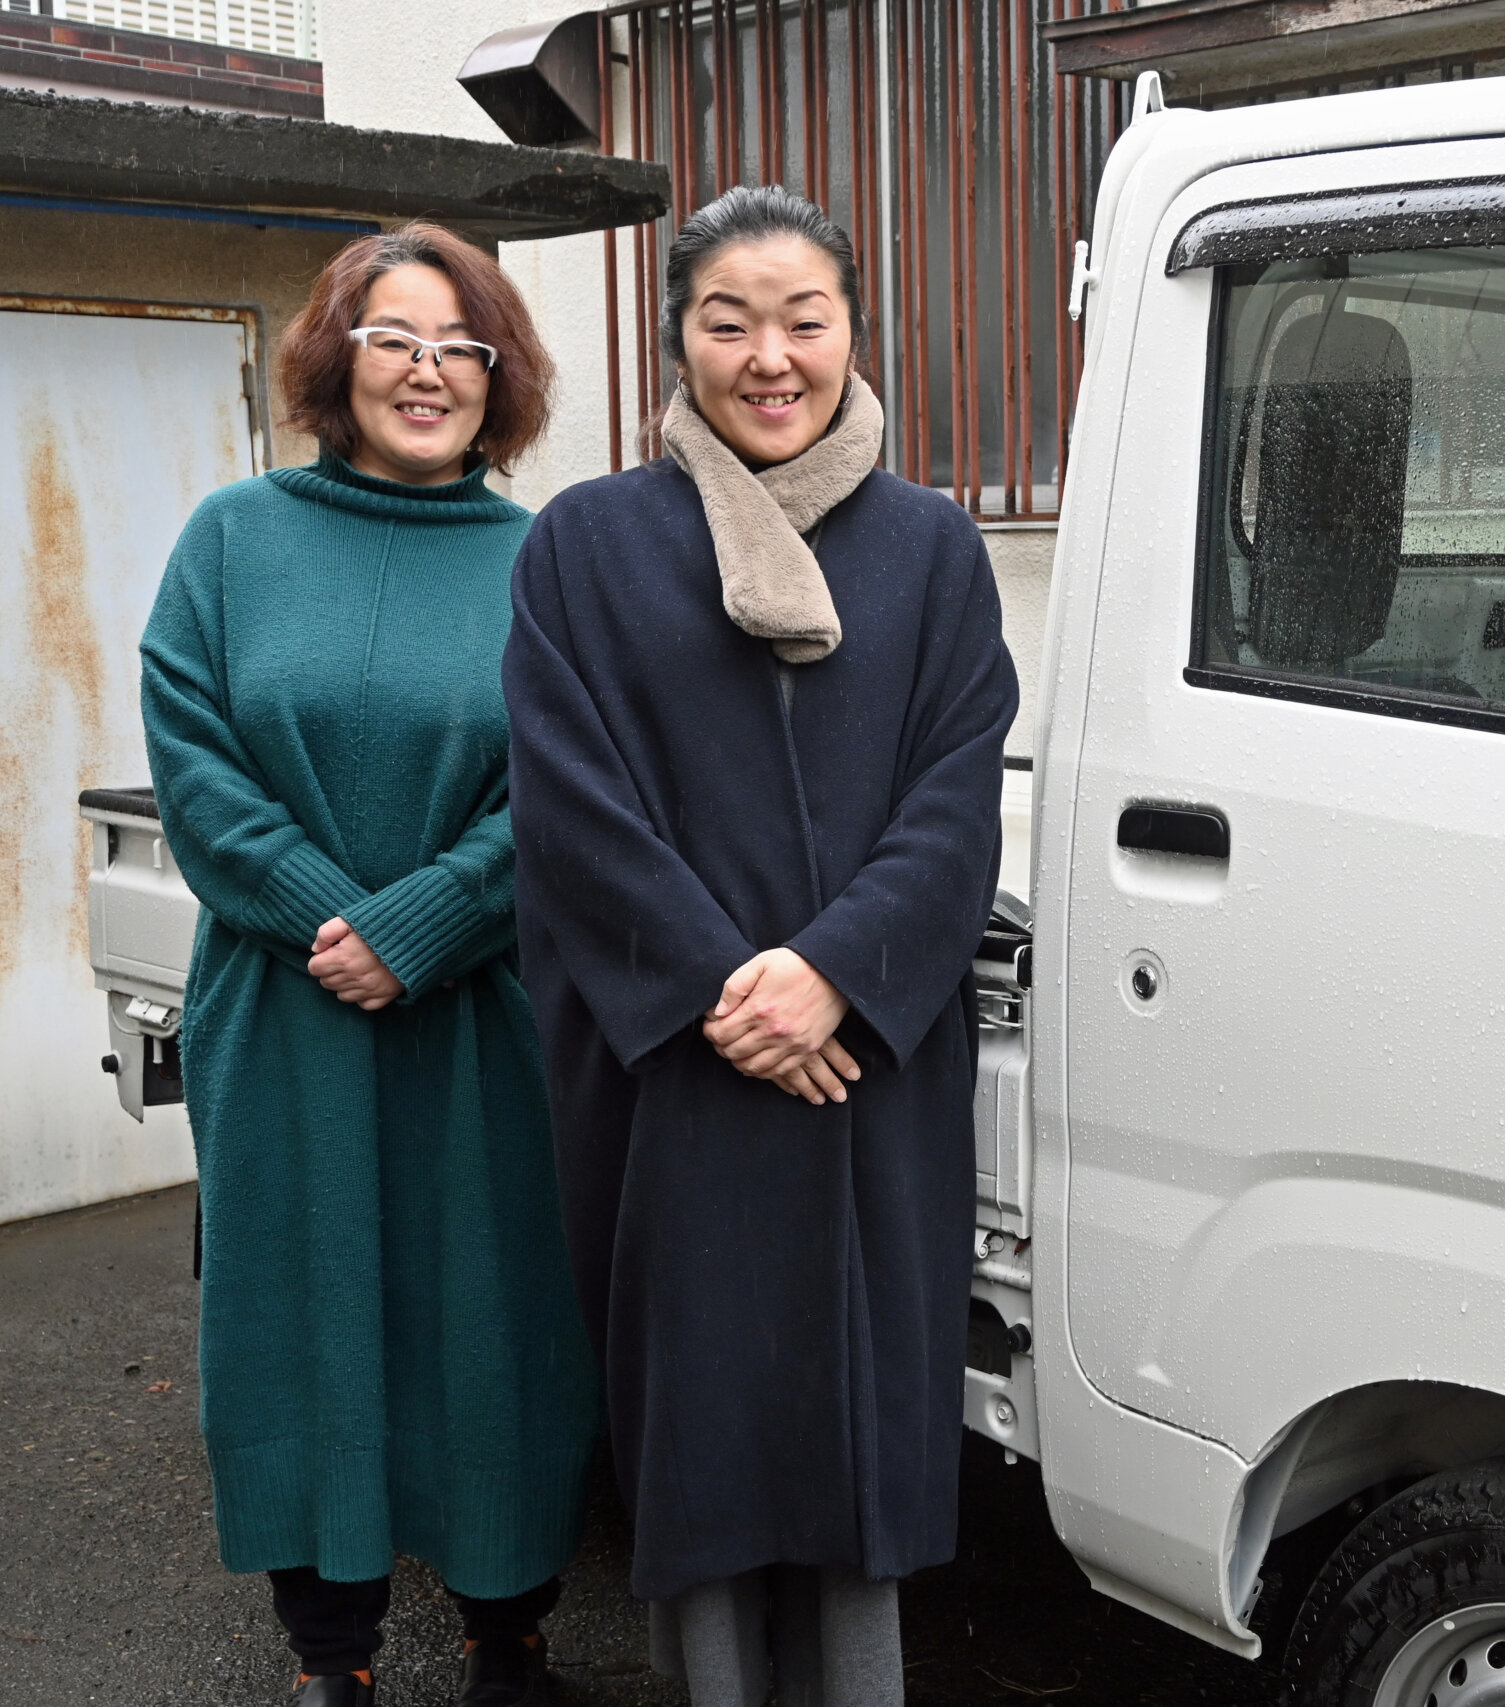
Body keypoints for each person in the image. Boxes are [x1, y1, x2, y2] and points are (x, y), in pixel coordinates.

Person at [502, 185, 1018, 1706]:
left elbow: (957, 790)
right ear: (679, 342)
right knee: (706, 1437)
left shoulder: (931, 549)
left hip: (863, 1066)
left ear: (857, 333)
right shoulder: (587, 546)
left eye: (805, 319)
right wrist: (732, 992)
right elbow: (567, 801)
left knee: (860, 1431)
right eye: (729, 322)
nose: (770, 356)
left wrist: (836, 973)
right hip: (680, 1076)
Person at [140, 222, 602, 1707]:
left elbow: (577, 786)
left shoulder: (551, 566)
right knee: (301, 1319)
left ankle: (507, 1634)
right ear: (337, 359)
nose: (426, 371)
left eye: (459, 345)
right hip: (283, 1013)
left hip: (483, 1016)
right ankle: (328, 1660)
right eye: (393, 338)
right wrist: (330, 916)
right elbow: (194, 761)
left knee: (495, 1318)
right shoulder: (231, 538)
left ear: (501, 377)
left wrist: (421, 930)